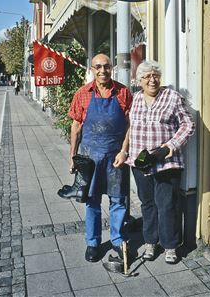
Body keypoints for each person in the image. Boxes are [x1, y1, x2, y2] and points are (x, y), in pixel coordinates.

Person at [126, 60, 195, 264]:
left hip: (166, 162)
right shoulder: (136, 98)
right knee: (147, 204)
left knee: (166, 205)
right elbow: (131, 127)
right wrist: (125, 151)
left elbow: (188, 125)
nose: (152, 80)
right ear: (139, 81)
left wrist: (170, 146)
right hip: (140, 162)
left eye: (155, 75)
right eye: (146, 77)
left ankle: (170, 246)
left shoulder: (172, 97)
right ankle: (150, 241)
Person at [68, 53, 132, 262]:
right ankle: (93, 243)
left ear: (111, 68)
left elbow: (130, 125)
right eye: (98, 67)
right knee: (92, 200)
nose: (102, 71)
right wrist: (73, 157)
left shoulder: (123, 93)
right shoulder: (82, 94)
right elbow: (76, 127)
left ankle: (116, 239)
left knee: (118, 200)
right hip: (90, 157)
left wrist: (124, 151)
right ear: (92, 69)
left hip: (116, 157)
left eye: (106, 66)